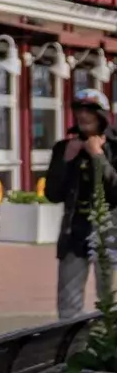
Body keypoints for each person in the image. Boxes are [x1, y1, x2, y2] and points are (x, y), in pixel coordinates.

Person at [45, 89, 117, 318]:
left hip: (109, 231)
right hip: (75, 230)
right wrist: (66, 161)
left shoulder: (114, 147)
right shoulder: (64, 148)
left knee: (110, 299)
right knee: (68, 302)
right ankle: (72, 351)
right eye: (79, 110)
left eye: (89, 111)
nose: (83, 116)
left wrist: (98, 156)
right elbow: (53, 194)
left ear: (102, 115)